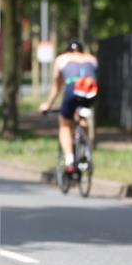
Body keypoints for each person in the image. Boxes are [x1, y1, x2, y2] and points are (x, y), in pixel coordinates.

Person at [38, 41, 98, 173]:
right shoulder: (92, 58)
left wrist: (48, 104)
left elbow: (57, 86)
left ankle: (69, 160)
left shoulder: (61, 59)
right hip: (90, 88)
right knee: (83, 118)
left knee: (65, 124)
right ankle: (86, 153)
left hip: (73, 87)